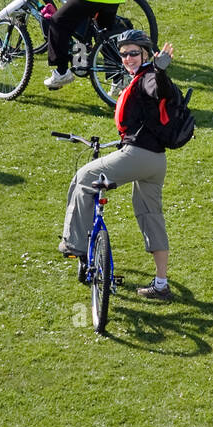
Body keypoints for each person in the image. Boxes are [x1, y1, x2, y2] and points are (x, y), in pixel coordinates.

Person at [60, 30, 176, 300]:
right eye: (123, 54)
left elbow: (159, 90)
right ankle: (161, 284)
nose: (128, 58)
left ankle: (74, 243)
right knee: (151, 216)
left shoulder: (148, 77)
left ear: (146, 54)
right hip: (156, 161)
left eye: (134, 53)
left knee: (84, 176)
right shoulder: (139, 77)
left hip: (140, 156)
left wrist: (160, 71)